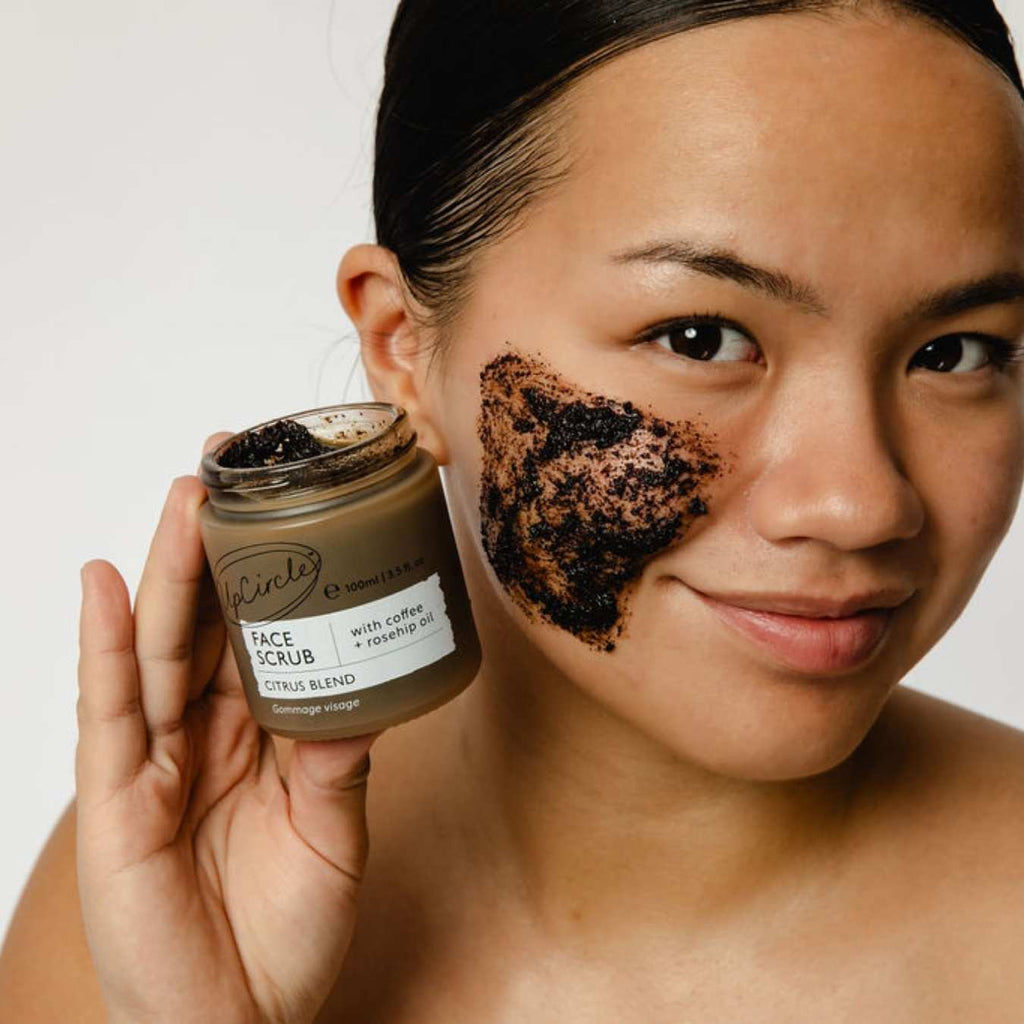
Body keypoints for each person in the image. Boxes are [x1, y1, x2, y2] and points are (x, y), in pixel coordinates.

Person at [3, 0, 1024, 1019]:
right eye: (701, 336)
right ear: (404, 347)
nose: (856, 502)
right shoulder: (168, 895)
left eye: (957, 352)